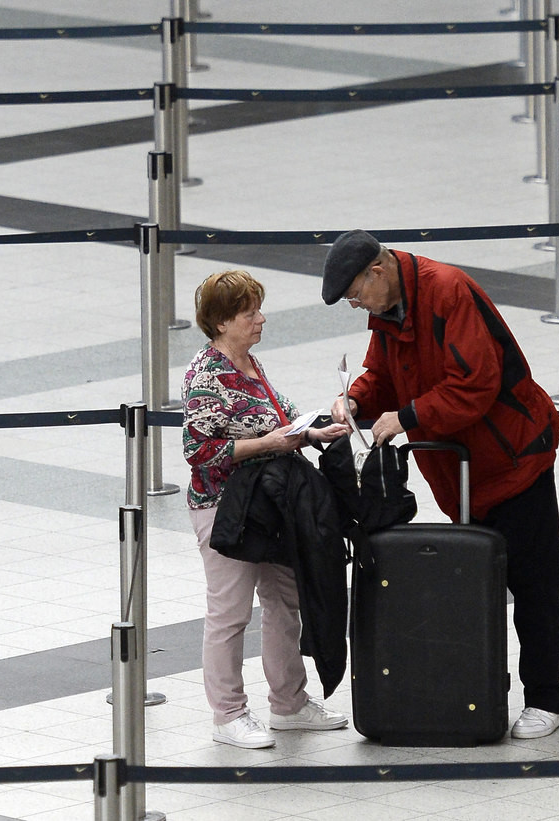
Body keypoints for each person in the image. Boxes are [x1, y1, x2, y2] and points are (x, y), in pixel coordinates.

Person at [322, 230, 559, 740]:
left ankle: (546, 697)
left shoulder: (448, 291)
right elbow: (382, 373)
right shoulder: (388, 307)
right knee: (474, 588)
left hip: (514, 458)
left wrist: (407, 416)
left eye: (355, 295)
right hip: (463, 475)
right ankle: (480, 688)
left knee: (532, 585)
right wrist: (358, 403)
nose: (356, 305)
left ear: (378, 270)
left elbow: (475, 384)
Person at [183, 269, 350, 749]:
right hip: (226, 509)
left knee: (284, 601)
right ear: (220, 322)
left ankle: (289, 705)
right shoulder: (205, 376)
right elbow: (201, 451)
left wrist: (312, 432)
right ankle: (229, 715)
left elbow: (281, 416)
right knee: (230, 612)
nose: (260, 319)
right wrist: (267, 443)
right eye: (248, 312)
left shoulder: (250, 364)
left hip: (272, 505)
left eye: (258, 308)